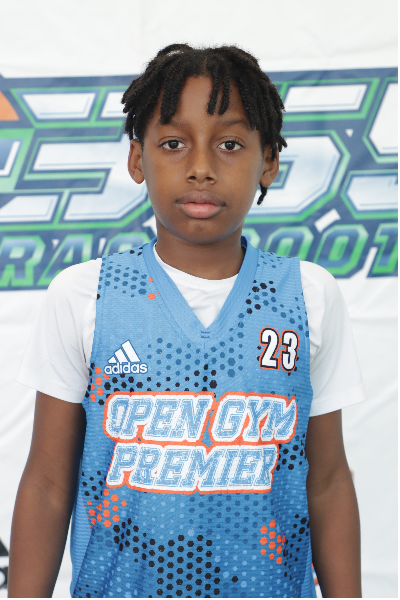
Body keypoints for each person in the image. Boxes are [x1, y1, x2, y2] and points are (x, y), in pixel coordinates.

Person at [9, 44, 365, 599]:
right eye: (174, 143)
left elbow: (327, 481)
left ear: (269, 160)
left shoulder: (308, 295)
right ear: (138, 159)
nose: (201, 167)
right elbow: (48, 484)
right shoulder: (86, 295)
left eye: (230, 144)